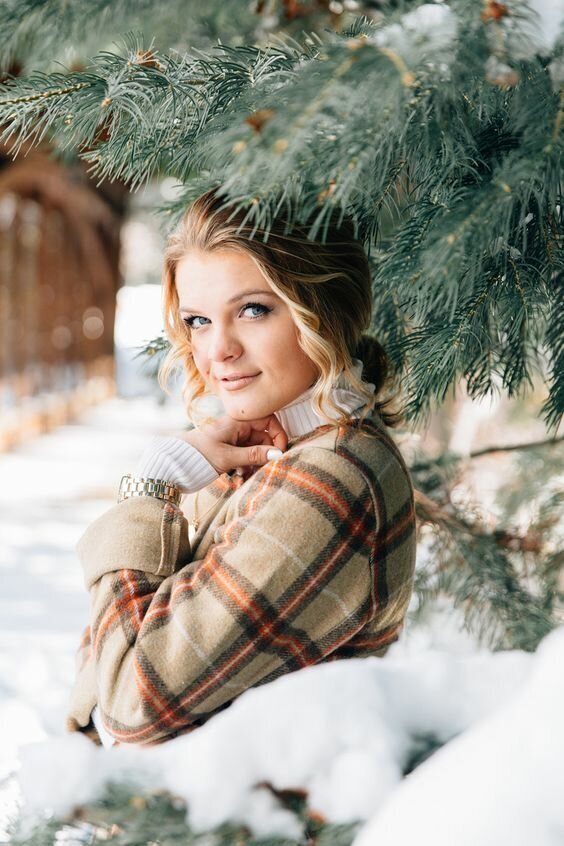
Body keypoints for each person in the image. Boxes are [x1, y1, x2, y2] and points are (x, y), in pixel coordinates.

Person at [66, 190, 417, 747]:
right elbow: (105, 655)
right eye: (198, 321)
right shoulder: (267, 454)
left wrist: (149, 488)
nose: (218, 350)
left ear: (323, 311)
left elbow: (131, 702)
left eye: (253, 310)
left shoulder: (333, 479)